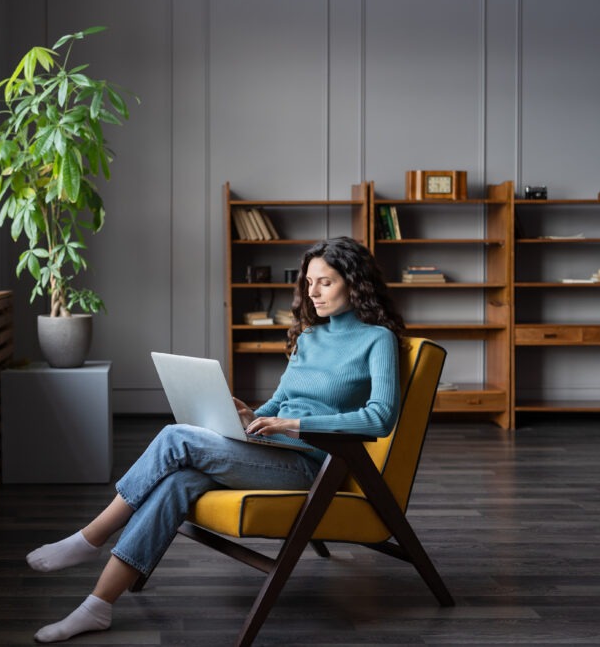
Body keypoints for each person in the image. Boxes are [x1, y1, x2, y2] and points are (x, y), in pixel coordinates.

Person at [26, 236, 406, 643]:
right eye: (308, 282)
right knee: (177, 482)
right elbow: (281, 401)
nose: (312, 292)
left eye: (325, 282)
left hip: (310, 465)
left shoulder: (376, 340)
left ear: (354, 282)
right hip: (270, 449)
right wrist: (252, 415)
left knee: (176, 438)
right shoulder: (309, 338)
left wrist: (290, 425)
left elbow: (379, 418)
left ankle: (91, 537)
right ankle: (97, 606)